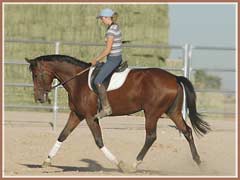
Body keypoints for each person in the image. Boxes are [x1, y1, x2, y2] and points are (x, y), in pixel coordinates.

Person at [91, 8, 122, 119]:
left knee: (98, 81)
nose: (101, 21)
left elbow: (108, 50)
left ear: (106, 18)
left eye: (102, 18)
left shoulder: (111, 31)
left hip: (113, 59)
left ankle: (106, 108)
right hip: (115, 58)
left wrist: (96, 59)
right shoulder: (115, 26)